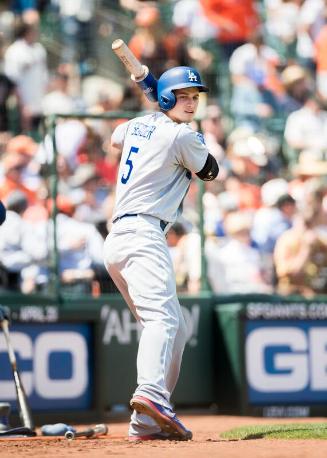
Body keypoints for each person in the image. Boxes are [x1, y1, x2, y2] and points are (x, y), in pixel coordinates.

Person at [103, 66, 219, 441]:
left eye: (195, 96)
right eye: (182, 95)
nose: (191, 102)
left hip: (120, 238)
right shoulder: (182, 136)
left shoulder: (136, 124)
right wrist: (179, 130)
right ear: (166, 96)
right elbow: (211, 172)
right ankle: (151, 394)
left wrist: (157, 112)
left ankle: (147, 422)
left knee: (175, 328)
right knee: (163, 322)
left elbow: (115, 141)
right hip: (142, 233)